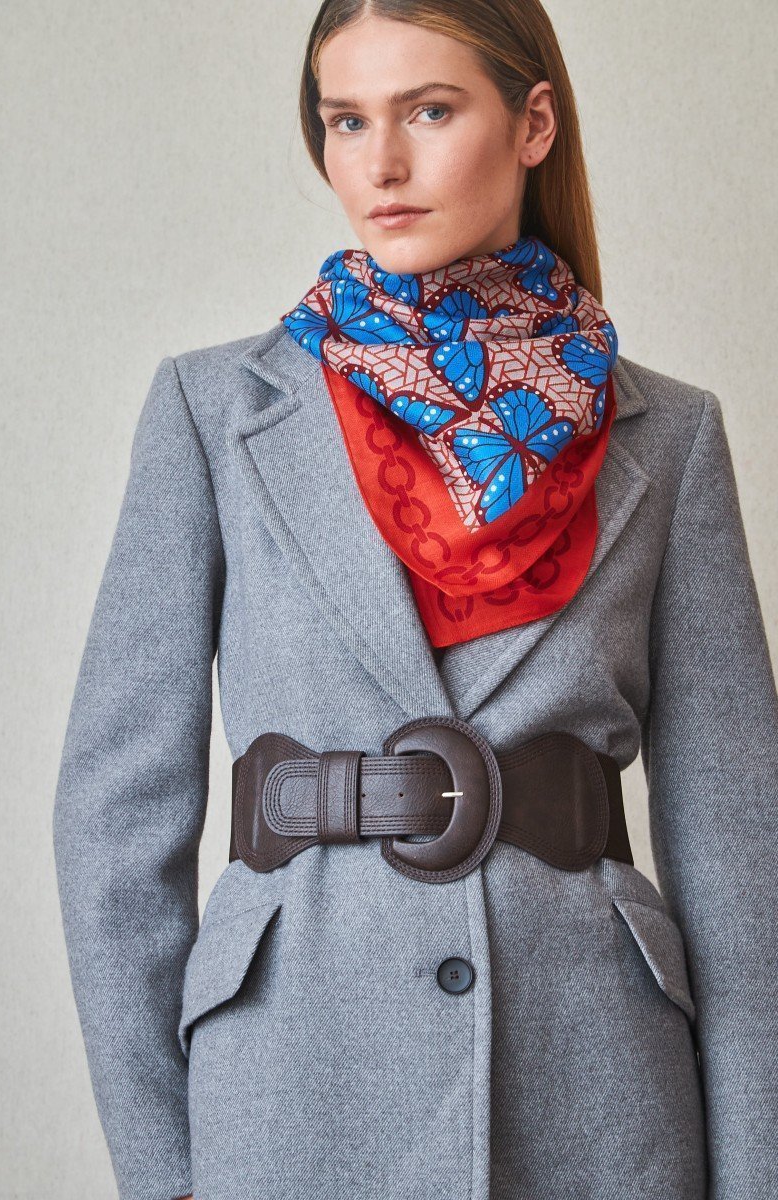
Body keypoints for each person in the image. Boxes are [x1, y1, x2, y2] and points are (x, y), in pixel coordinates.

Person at [52, 2, 778, 1198]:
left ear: (531, 123)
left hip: (596, 1100)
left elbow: (741, 854)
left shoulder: (669, 436)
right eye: (345, 121)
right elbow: (115, 819)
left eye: (428, 112)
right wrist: (164, 1166)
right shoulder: (212, 414)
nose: (378, 164)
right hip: (287, 1093)